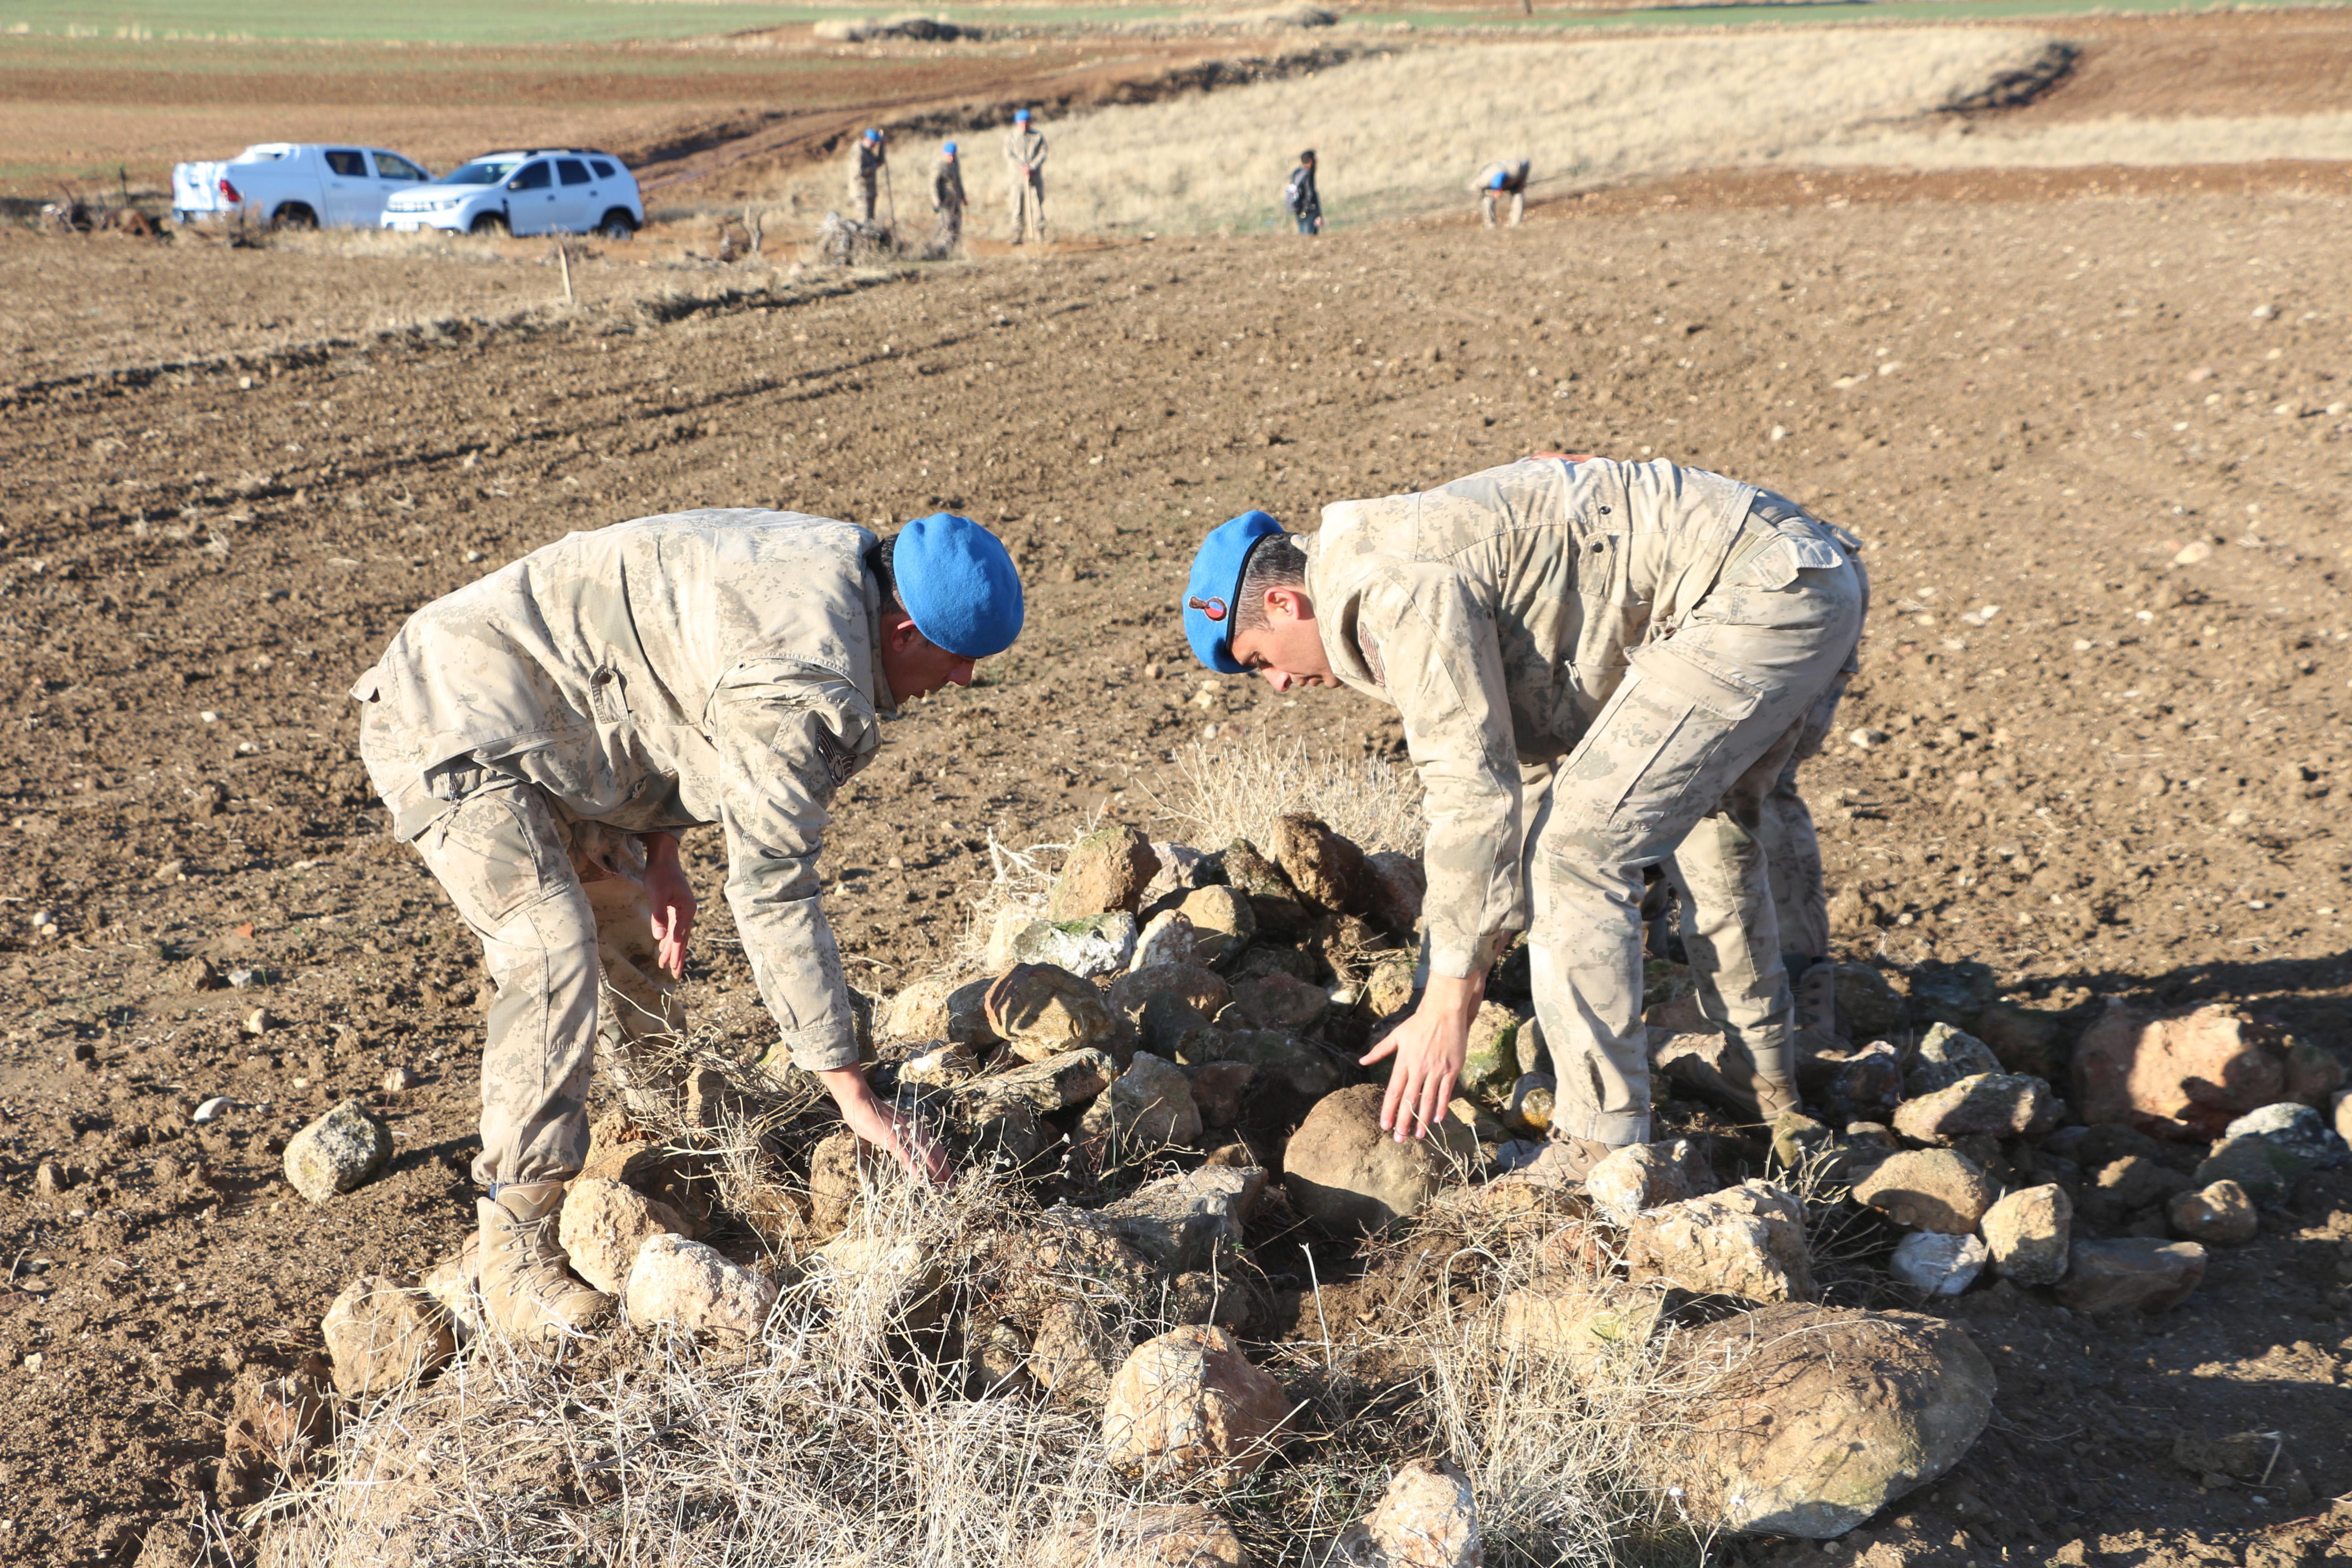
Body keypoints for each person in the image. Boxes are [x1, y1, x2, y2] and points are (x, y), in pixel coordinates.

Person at [351, 510, 1024, 1343]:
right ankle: (515, 1254)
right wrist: (851, 1091)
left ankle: (661, 1134)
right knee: (552, 947)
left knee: (624, 922)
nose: (961, 683)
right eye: (957, 659)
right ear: (903, 627)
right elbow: (773, 890)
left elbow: (670, 668)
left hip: (552, 716)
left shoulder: (835, 568)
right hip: (449, 716)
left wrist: (658, 846)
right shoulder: (801, 682)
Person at [1181, 457, 1864, 1179]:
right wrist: (1437, 985)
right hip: (1803, 576)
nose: (1281, 685)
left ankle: (1599, 1145)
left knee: (1579, 851)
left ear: (1285, 604)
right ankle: (1766, 1089)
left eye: (1259, 660)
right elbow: (1526, 775)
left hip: (1753, 596)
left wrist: (1451, 999)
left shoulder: (1391, 586)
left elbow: (1473, 793)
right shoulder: (1387, 566)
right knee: (1709, 826)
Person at [1004, 109, 1047, 245]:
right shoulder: (1011, 137)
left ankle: (1040, 233)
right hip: (1017, 178)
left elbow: (1043, 153)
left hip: (1034, 178)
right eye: (1022, 123)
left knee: (1037, 205)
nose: (1024, 126)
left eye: (1027, 123)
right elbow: (1009, 155)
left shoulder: (1038, 136)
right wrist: (1022, 167)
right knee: (1017, 206)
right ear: (1017, 123)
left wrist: (1032, 167)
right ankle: (1018, 234)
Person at [931, 140, 967, 254]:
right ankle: (941, 250)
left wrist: (963, 196)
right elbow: (933, 184)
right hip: (945, 201)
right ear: (945, 154)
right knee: (947, 225)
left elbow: (958, 180)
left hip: (955, 200)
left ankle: (952, 249)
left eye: (954, 155)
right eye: (950, 156)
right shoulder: (939, 166)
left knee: (957, 225)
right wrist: (936, 200)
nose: (952, 158)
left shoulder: (956, 163)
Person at [849, 128, 888, 225]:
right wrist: (874, 168)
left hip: (870, 191)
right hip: (861, 192)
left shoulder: (868, 151)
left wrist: (882, 146)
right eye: (874, 143)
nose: (874, 146)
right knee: (864, 220)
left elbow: (880, 162)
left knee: (871, 220)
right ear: (868, 140)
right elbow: (859, 172)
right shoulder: (858, 151)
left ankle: (870, 239)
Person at [1475, 159, 1530, 227]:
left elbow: (1527, 164)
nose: (1500, 190)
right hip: (1491, 184)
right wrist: (1494, 192)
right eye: (1498, 189)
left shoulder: (1516, 169)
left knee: (1519, 195)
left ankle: (1516, 225)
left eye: (1500, 188)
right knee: (1487, 199)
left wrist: (1522, 181)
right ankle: (1490, 225)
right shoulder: (1483, 180)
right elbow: (1474, 189)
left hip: (1513, 182)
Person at [1284, 149, 1322, 236]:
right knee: (1310, 237)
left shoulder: (1297, 173)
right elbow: (1310, 193)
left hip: (1298, 208)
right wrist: (1316, 211)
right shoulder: (1308, 174)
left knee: (1303, 237)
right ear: (1311, 161)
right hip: (1309, 210)